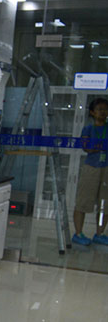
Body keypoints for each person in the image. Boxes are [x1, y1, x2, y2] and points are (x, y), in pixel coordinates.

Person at [72, 97, 108, 246]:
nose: (103, 112)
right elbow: (86, 147)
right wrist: (99, 146)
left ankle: (99, 233)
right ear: (92, 112)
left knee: (105, 203)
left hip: (106, 168)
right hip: (91, 168)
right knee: (83, 201)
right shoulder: (88, 129)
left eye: (105, 109)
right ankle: (78, 233)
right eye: (99, 109)